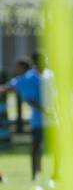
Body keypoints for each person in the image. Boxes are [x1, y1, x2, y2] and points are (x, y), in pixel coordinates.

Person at [0, 54, 47, 182]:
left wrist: (44, 110)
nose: (15, 69)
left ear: (22, 67)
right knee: (38, 148)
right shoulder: (28, 77)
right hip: (43, 119)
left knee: (36, 149)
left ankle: (37, 175)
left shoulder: (30, 78)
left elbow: (31, 99)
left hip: (42, 120)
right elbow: (7, 88)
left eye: (17, 67)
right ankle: (38, 174)